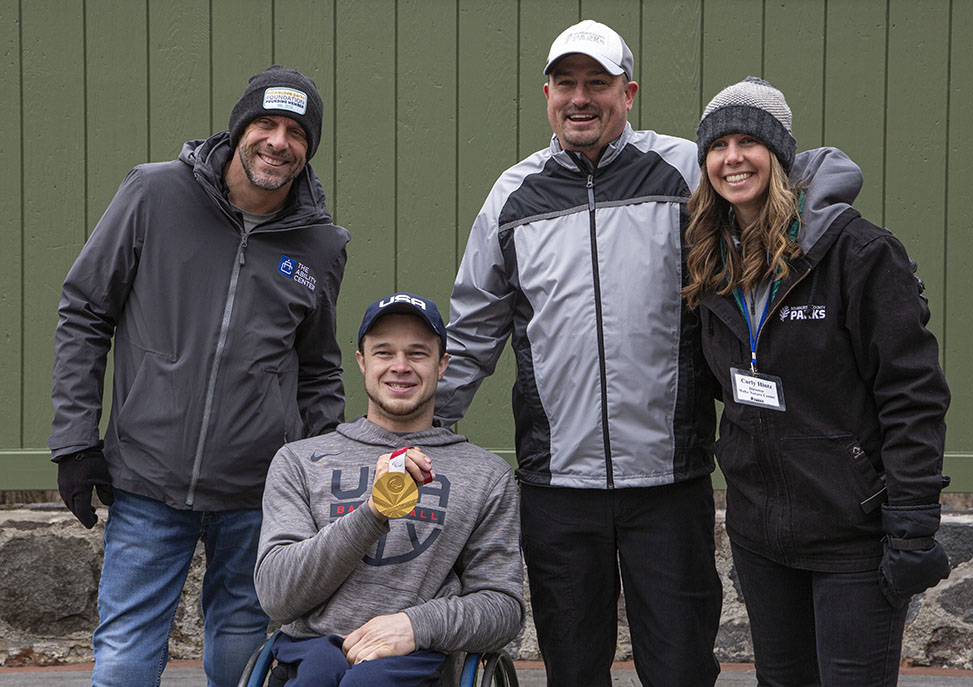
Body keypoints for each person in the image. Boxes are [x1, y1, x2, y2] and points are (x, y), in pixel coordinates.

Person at [434, 19, 722, 687]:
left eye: (599, 83)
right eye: (566, 84)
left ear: (630, 92)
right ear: (547, 94)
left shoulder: (684, 171)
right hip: (558, 485)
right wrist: (426, 431)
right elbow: (474, 327)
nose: (581, 98)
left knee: (680, 669)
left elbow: (761, 226)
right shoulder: (512, 197)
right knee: (573, 669)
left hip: (669, 480)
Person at [48, 65, 350, 687]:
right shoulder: (153, 194)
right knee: (127, 650)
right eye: (265, 123)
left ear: (307, 149)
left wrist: (319, 478)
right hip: (147, 479)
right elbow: (85, 311)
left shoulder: (320, 244)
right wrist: (75, 440)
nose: (278, 141)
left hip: (257, 494)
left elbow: (318, 369)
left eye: (296, 131)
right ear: (239, 128)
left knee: (239, 652)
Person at [683, 76, 951, 686]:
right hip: (761, 535)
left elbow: (913, 394)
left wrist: (912, 521)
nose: (732, 158)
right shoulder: (708, 260)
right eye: (718, 145)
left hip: (852, 534)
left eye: (748, 141)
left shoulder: (857, 253)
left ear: (778, 154)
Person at [254, 292, 523, 687]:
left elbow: (503, 609)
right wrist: (373, 512)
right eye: (384, 352)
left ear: (442, 365)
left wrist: (414, 625)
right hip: (308, 657)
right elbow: (278, 596)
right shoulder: (299, 461)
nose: (400, 367)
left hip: (417, 663)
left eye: (417, 354)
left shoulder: (486, 475)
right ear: (361, 361)